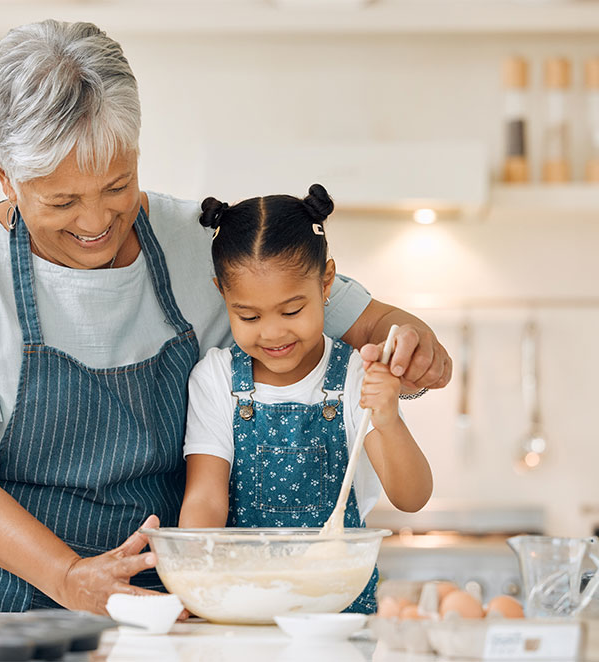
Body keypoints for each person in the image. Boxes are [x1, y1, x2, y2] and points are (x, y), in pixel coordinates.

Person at [0, 19, 450, 616]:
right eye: (61, 201)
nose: (94, 221)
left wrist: (415, 345)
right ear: (4, 175)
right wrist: (69, 576)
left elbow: (368, 323)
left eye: (117, 185)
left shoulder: (199, 242)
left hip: (154, 610)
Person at [177, 184, 434, 613]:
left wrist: (387, 417)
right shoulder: (216, 380)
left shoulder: (357, 374)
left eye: (292, 310)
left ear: (326, 282)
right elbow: (205, 499)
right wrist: (191, 581)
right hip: (244, 609)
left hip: (339, 613)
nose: (274, 332)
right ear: (222, 292)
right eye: (249, 316)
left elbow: (412, 497)